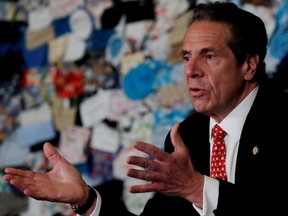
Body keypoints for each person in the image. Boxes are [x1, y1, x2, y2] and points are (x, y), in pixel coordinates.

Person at [3, 1, 288, 216]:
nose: (190, 71)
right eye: (187, 58)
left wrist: (196, 188)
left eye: (209, 56)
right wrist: (86, 200)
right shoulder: (187, 135)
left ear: (248, 65)